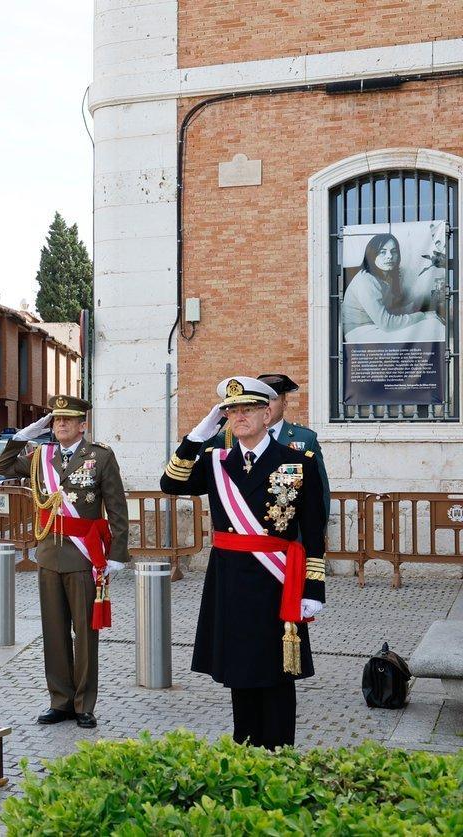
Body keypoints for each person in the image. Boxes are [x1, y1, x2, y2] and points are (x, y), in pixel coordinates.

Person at [160, 376, 327, 750]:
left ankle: (280, 751)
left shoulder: (298, 463)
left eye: (248, 409)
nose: (239, 417)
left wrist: (313, 589)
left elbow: (313, 531)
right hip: (230, 582)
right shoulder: (216, 462)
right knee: (241, 671)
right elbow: (170, 482)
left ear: (267, 414)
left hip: (277, 582)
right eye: (232, 411)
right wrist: (197, 435)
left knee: (277, 671)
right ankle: (245, 750)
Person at [0, 395, 129, 729]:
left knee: (84, 633)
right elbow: (2, 467)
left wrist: (118, 555)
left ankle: (84, 703)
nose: (61, 425)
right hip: (50, 555)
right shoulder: (42, 456)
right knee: (53, 632)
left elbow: (117, 507)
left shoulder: (100, 456)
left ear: (83, 424)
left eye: (68, 420)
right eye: (56, 421)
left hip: (84, 556)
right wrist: (24, 435)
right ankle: (61, 700)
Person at [340, 233, 444, 343]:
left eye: (393, 251)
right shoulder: (365, 280)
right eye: (382, 252)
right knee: (430, 326)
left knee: (432, 323)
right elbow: (387, 324)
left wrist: (413, 308)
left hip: (376, 328)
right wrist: (422, 316)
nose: (389, 256)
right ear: (371, 255)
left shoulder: (384, 277)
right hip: (361, 335)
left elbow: (388, 312)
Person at [257, 373, 330, 521]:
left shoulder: (305, 438)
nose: (267, 405)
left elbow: (319, 493)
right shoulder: (238, 438)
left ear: (284, 404)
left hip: (291, 533)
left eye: (273, 399)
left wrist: (314, 537)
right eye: (262, 400)